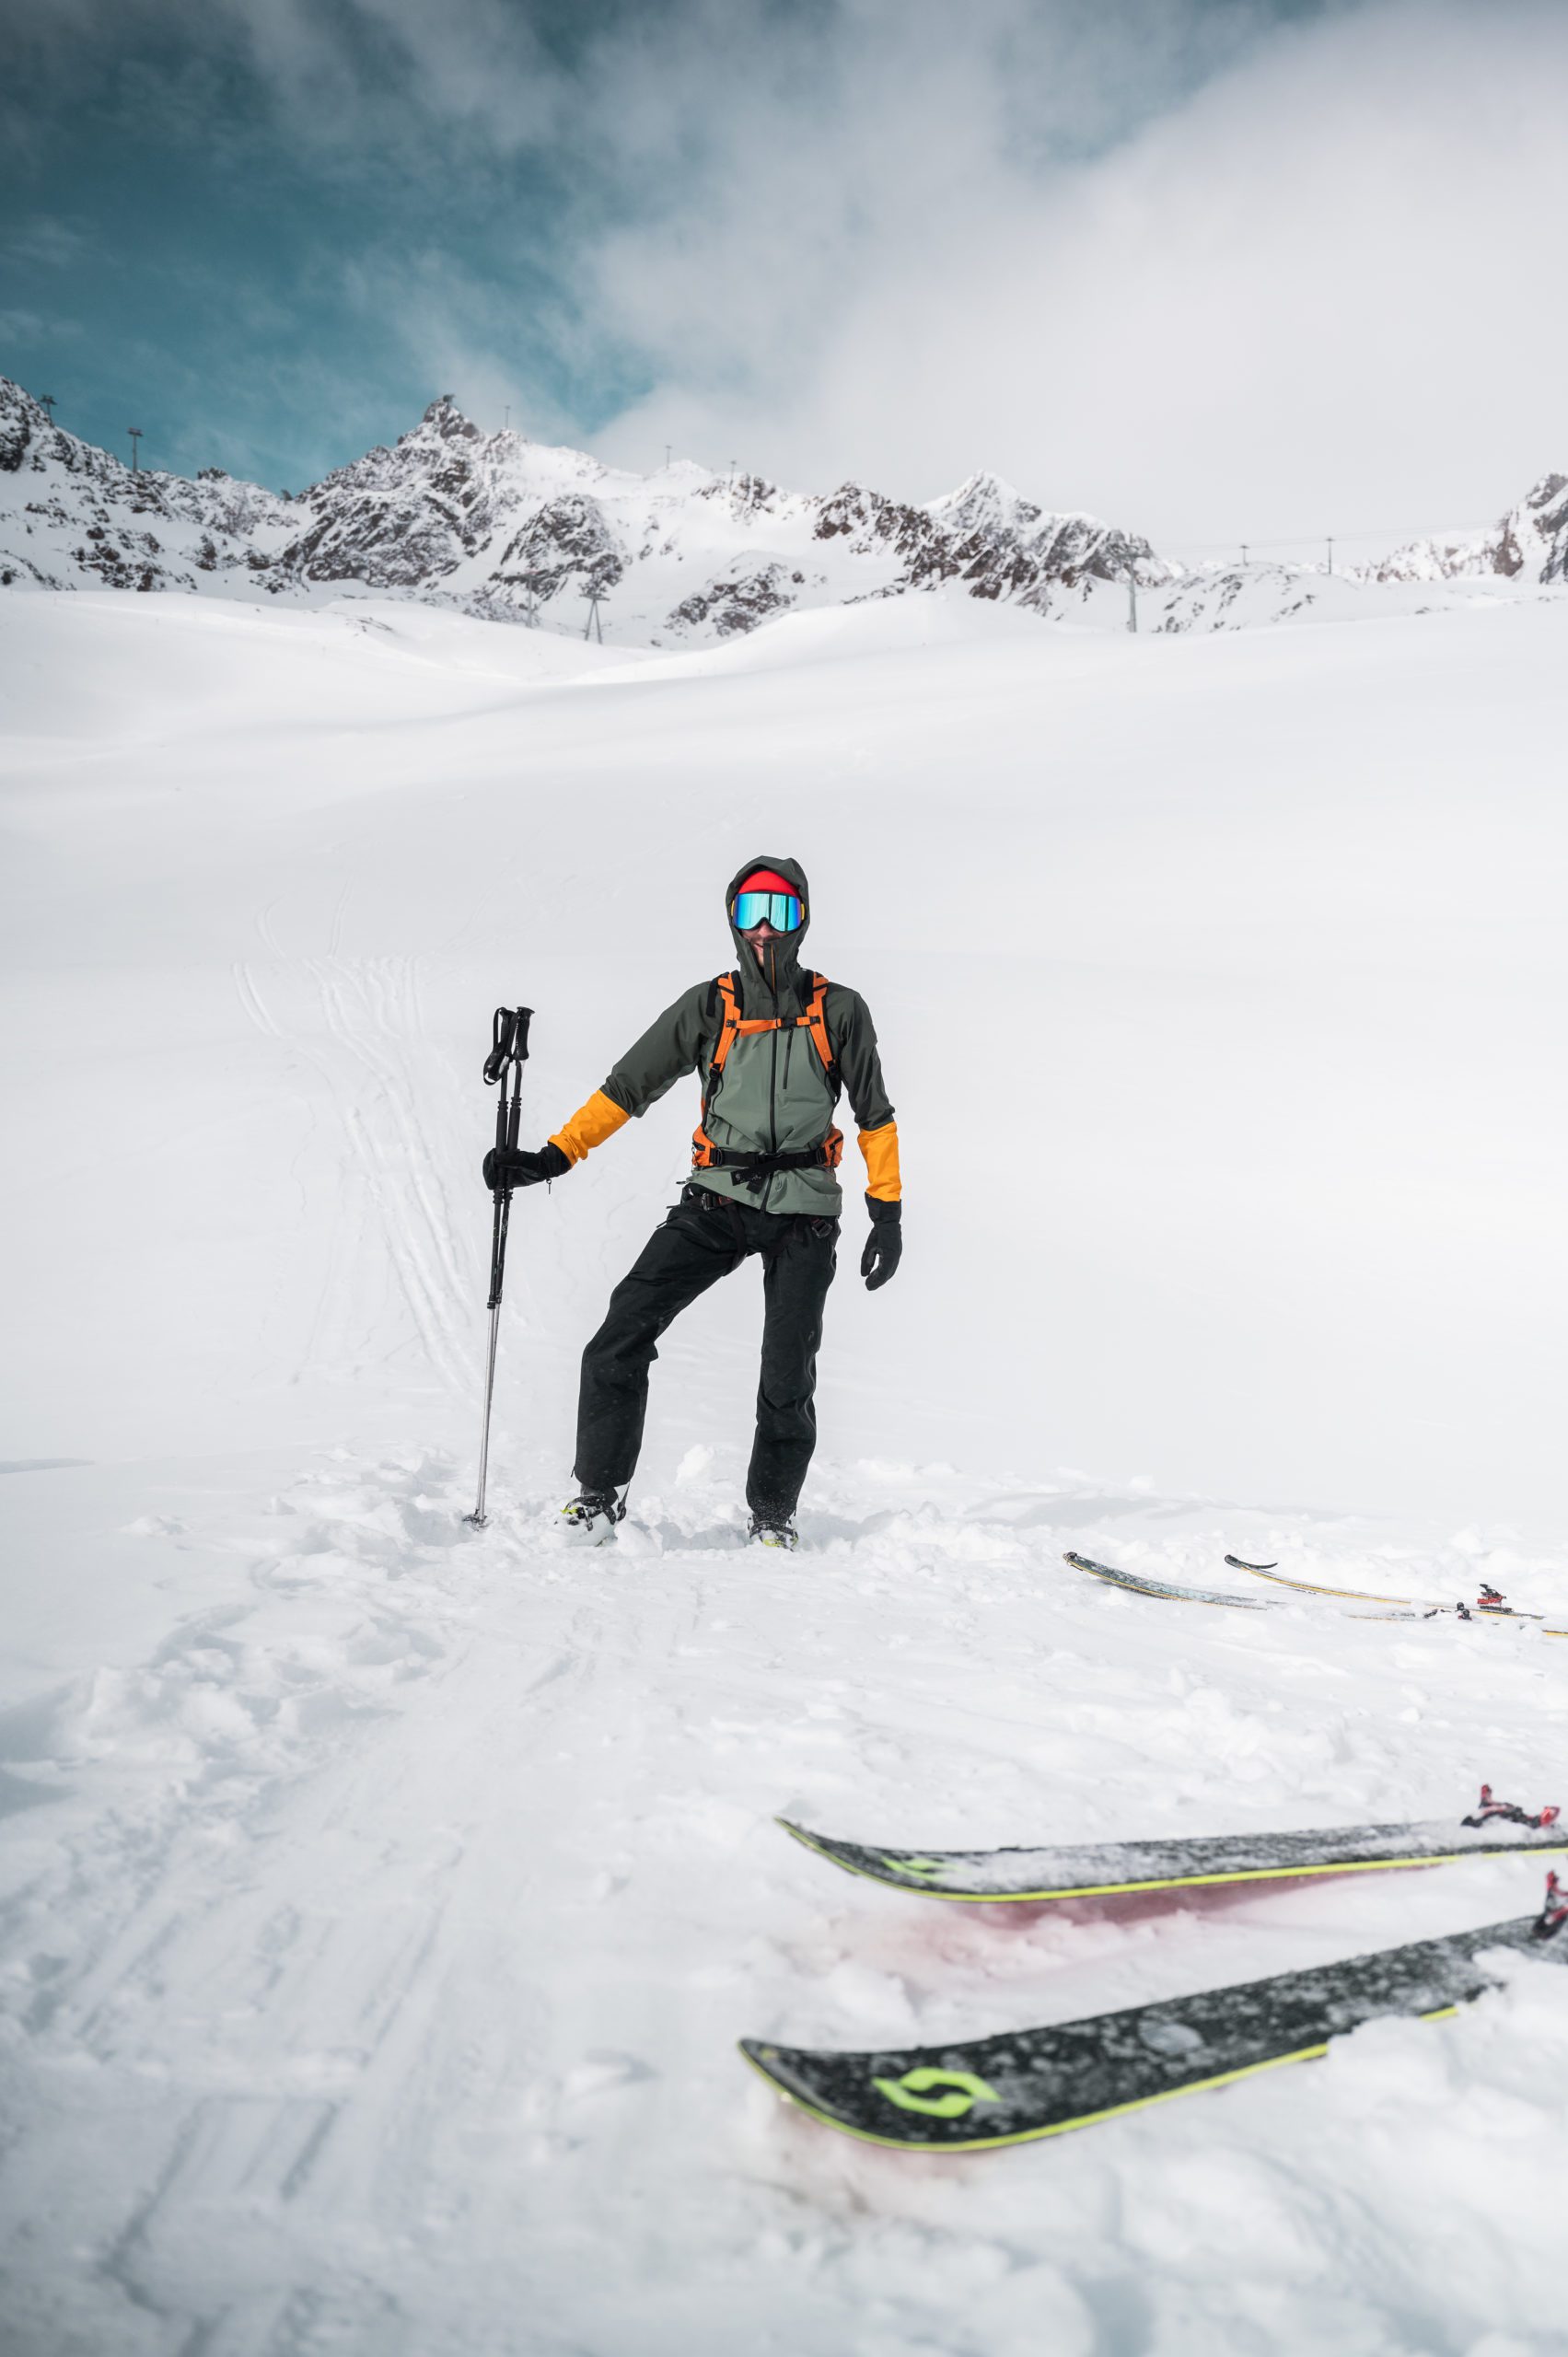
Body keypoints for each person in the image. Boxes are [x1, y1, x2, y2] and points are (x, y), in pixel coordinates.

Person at [483, 856, 901, 1548]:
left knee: (786, 1372)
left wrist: (885, 1210)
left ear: (802, 920)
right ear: (732, 921)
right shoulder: (709, 1006)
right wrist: (554, 1156)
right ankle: (597, 1495)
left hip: (805, 1209)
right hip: (717, 1199)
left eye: (781, 911)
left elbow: (874, 1114)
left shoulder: (838, 1008)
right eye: (750, 911)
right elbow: (628, 1087)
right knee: (620, 1333)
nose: (765, 927)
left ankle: (772, 1517)